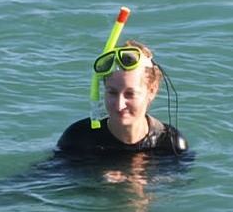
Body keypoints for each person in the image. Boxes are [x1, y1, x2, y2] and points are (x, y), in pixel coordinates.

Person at [57, 41, 188, 157]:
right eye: (112, 92)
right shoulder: (78, 139)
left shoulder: (171, 144)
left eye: (130, 94)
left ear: (152, 91)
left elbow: (179, 183)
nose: (119, 105)